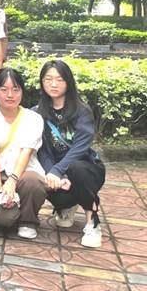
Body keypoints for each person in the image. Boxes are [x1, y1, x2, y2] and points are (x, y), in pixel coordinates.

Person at [34, 60, 105, 248]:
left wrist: (58, 170)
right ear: (42, 82)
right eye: (48, 79)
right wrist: (52, 173)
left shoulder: (82, 111)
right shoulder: (37, 113)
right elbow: (41, 150)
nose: (53, 84)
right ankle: (66, 206)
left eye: (59, 79)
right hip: (56, 172)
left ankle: (93, 222)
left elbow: (80, 148)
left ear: (68, 82)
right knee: (51, 190)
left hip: (86, 169)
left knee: (77, 169)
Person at [0, 67, 47, 239]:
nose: (10, 95)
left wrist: (12, 181)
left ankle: (28, 220)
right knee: (4, 220)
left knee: (34, 182)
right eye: (4, 90)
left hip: (24, 173)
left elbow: (27, 152)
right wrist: (0, 191)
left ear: (22, 92)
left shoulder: (34, 118)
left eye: (16, 89)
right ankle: (14, 209)